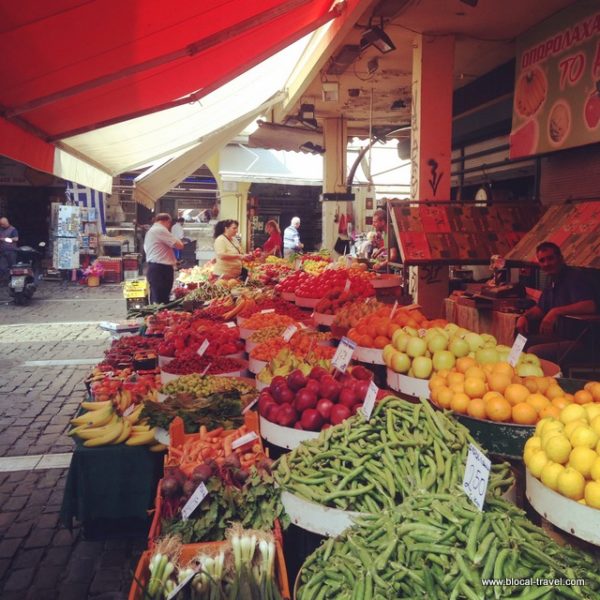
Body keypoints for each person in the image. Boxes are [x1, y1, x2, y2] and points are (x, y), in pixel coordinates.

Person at [516, 241, 597, 363]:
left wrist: (556, 312)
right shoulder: (552, 281)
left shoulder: (575, 277)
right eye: (542, 260)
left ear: (561, 258)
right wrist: (524, 317)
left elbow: (590, 306)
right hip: (560, 338)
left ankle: (541, 380)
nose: (546, 263)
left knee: (534, 352)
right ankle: (511, 375)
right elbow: (540, 308)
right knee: (520, 341)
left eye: (550, 258)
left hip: (582, 342)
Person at [143, 213, 183, 304]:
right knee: (161, 299)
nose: (169, 227)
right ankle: (158, 316)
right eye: (169, 224)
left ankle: (157, 315)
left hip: (155, 267)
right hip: (161, 269)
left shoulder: (151, 231)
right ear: (167, 221)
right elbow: (179, 245)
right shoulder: (160, 230)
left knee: (157, 297)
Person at [0, 217, 19, 282]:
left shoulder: (13, 229)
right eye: (1, 224)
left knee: (13, 267)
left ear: (6, 223)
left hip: (11, 251)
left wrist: (5, 239)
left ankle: (14, 281)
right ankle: (5, 279)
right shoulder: (1, 229)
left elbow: (16, 239)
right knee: (2, 267)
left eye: (3, 224)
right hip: (2, 252)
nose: (2, 226)